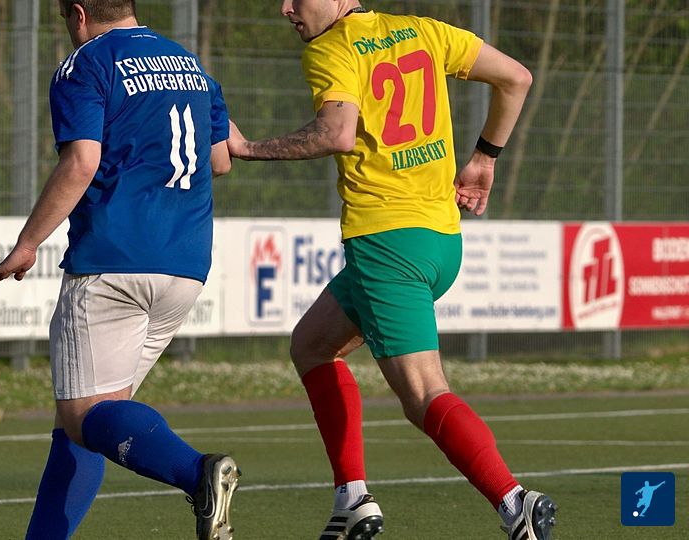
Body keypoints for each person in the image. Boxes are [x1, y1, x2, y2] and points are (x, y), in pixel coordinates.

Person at [226, 2, 555, 540]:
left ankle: (515, 502)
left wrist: (247, 148)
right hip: (440, 239)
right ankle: (352, 498)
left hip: (387, 244)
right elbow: (516, 78)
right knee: (311, 344)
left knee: (424, 395)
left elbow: (336, 133)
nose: (286, 8)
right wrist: (485, 157)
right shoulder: (421, 31)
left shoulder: (332, 47)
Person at [0, 1, 238, 539]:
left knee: (84, 416)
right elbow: (221, 160)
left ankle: (198, 472)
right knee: (86, 423)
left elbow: (81, 162)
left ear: (78, 13)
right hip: (184, 265)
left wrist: (27, 244)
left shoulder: (88, 63)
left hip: (114, 262)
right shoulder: (190, 64)